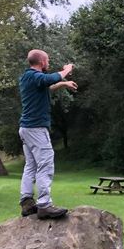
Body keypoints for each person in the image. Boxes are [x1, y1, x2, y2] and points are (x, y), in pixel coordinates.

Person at [17, 49, 77, 219]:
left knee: (31, 166)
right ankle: (44, 205)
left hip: (27, 128)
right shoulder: (32, 76)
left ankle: (27, 203)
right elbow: (50, 79)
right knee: (46, 162)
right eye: (48, 60)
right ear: (42, 62)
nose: (48, 63)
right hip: (36, 128)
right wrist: (66, 70)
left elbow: (48, 86)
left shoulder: (29, 78)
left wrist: (64, 83)